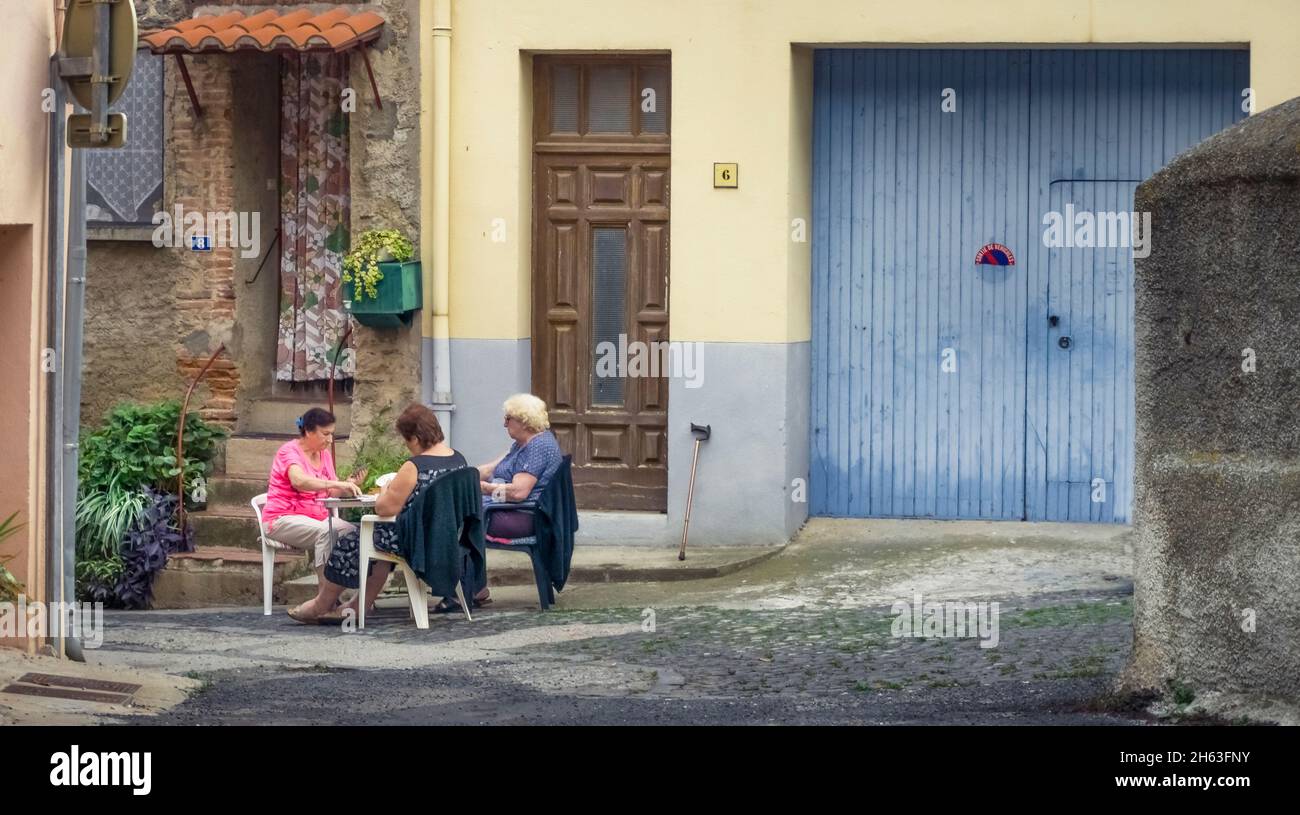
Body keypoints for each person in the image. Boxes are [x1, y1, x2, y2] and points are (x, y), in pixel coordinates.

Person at [288, 404, 467, 624]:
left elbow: (384, 509)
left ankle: (321, 604)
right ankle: (356, 607)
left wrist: (385, 490)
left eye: (406, 440)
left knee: (354, 540)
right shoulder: (459, 461)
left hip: (417, 542)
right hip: (447, 538)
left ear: (414, 438)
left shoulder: (415, 466)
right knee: (377, 542)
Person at [261, 407, 362, 582]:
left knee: (354, 533)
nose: (330, 440)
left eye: (332, 434)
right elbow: (299, 481)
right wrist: (336, 482)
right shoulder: (289, 451)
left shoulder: (324, 455)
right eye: (325, 434)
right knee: (328, 531)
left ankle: (338, 595)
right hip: (281, 519)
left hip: (316, 520)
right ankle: (325, 598)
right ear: (308, 431)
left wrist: (348, 485)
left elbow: (331, 492)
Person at [477, 393, 564, 539]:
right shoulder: (523, 443)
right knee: (457, 505)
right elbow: (489, 469)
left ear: (524, 421)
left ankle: (446, 558)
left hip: (522, 516)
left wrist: (484, 488)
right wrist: (461, 478)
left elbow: (518, 493)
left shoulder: (537, 447)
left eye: (508, 419)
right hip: (507, 509)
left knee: (458, 511)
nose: (505, 424)